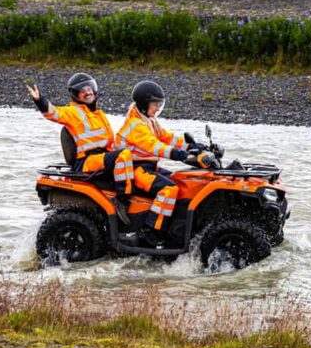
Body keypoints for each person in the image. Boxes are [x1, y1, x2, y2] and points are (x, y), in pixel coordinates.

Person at [26, 73, 132, 223]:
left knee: (131, 155)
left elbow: (109, 142)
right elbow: (53, 113)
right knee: (124, 156)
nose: (88, 92)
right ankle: (122, 201)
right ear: (76, 95)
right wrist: (39, 100)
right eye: (83, 90)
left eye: (90, 88)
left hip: (101, 157)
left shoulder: (98, 113)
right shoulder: (73, 112)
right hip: (87, 161)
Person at [115, 80, 205, 246]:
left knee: (178, 179)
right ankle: (151, 231)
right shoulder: (136, 125)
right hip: (135, 169)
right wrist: (182, 156)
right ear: (143, 104)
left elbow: (167, 138)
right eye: (155, 104)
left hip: (148, 166)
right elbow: (155, 147)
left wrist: (194, 146)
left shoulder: (148, 120)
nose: (157, 108)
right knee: (169, 189)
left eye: (159, 104)